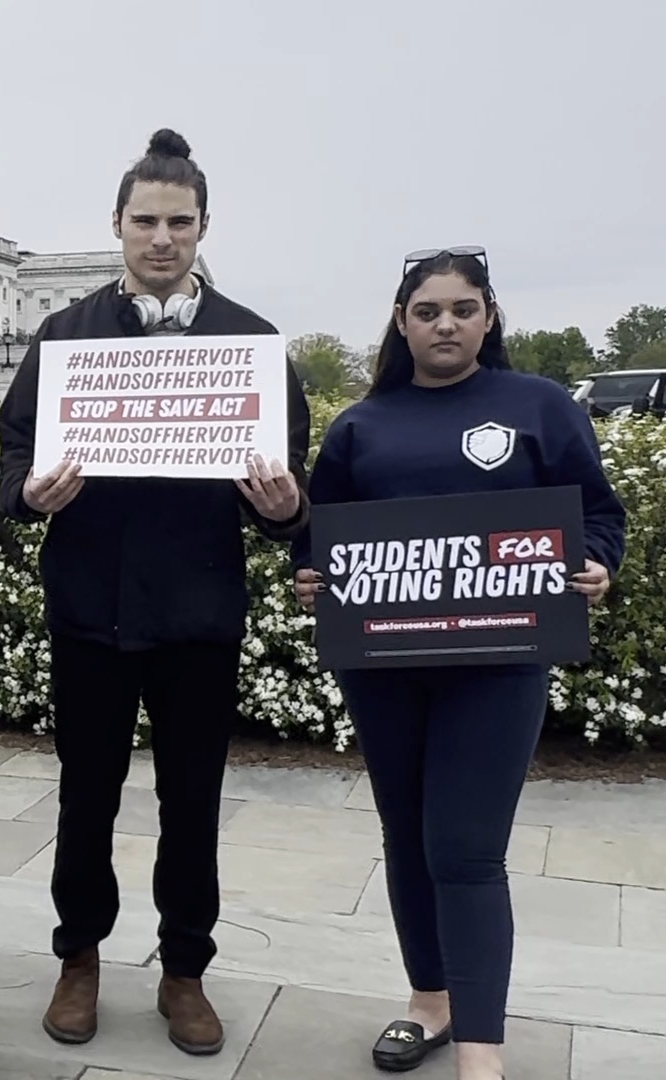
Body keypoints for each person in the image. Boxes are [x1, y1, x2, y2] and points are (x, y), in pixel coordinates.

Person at [0, 129, 311, 1056]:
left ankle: (184, 971)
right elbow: (15, 457)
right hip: (90, 609)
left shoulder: (250, 343)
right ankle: (79, 957)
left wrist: (288, 509)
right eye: (145, 221)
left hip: (198, 614)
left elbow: (287, 495)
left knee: (193, 804)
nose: (161, 238)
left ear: (204, 226)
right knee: (83, 797)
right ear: (118, 227)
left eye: (179, 222)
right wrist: (28, 493)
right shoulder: (64, 335)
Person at [291, 248, 624, 1080]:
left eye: (463, 309)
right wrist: (310, 575)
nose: (446, 324)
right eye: (428, 311)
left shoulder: (539, 405)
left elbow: (596, 511)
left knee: (467, 850)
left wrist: (598, 564)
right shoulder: (362, 424)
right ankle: (429, 1004)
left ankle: (482, 1048)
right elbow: (319, 534)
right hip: (385, 665)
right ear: (402, 324)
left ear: (490, 316)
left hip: (499, 662)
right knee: (406, 838)